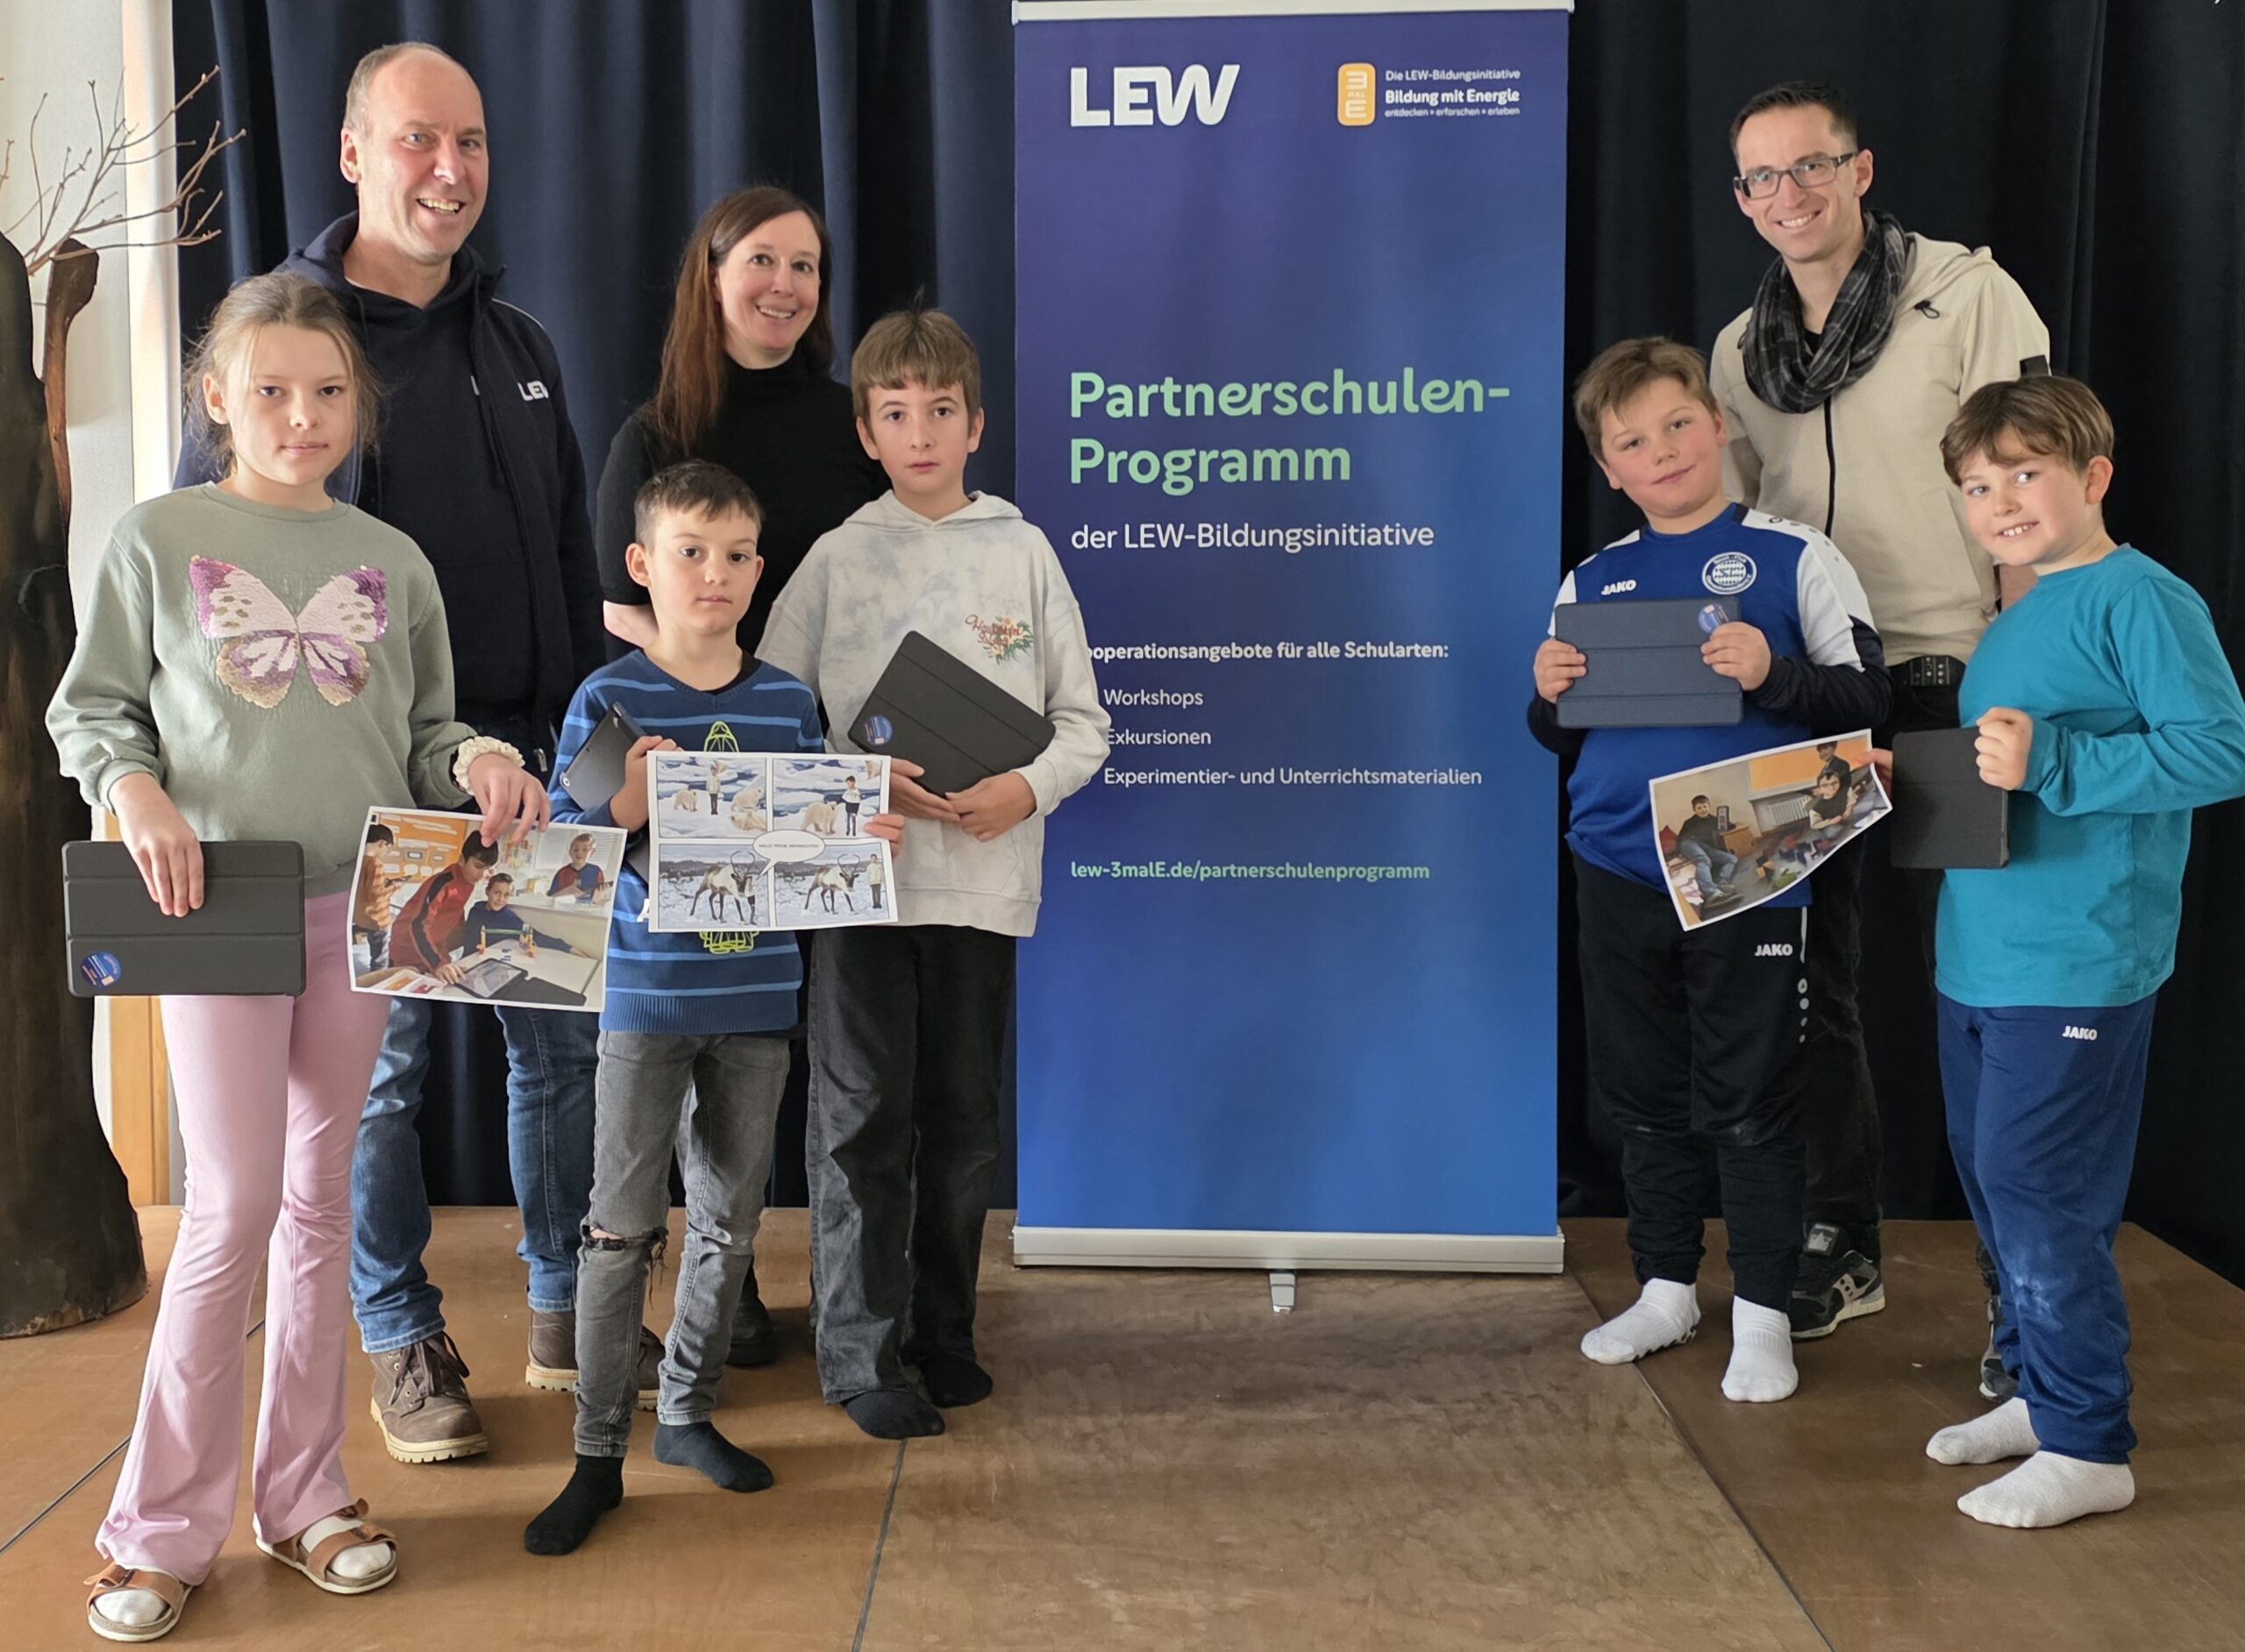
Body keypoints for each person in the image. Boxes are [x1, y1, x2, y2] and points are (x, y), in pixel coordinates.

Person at [50, 272, 549, 1641]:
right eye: (269, 389)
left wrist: (483, 759)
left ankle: (308, 1496)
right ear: (216, 397)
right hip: (214, 907)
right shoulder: (159, 538)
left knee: (321, 1200)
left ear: (358, 405)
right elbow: (95, 709)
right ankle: (157, 1533)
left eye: (328, 391)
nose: (301, 414)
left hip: (365, 908)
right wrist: (134, 792)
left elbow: (426, 735)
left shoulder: (393, 560)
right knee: (232, 1208)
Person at [170, 41, 642, 1460]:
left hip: (521, 772)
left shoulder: (521, 344)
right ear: (353, 153)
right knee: (378, 1088)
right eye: (419, 140)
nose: (450, 170)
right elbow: (207, 570)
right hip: (366, 787)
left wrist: (584, 748)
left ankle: (565, 1307)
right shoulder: (290, 338)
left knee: (558, 1056)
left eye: (472, 143)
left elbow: (569, 559)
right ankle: (400, 1332)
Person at [1710, 80, 2052, 1353]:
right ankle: (1840, 1243)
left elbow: (2026, 489)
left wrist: (2018, 671)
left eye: (1810, 166)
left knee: (1987, 990)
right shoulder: (1738, 352)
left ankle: (2021, 1292)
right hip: (1811, 696)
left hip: (1953, 680)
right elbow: (1736, 532)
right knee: (1816, 987)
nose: (1787, 194)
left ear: (1859, 171)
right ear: (1742, 201)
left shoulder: (1969, 294)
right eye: (1761, 178)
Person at [525, 459, 906, 1554]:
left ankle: (687, 1416)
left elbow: (812, 835)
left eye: (737, 554)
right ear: (642, 566)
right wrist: (628, 799)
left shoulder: (786, 702)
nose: (716, 573)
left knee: (732, 1222)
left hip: (758, 1000)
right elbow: (560, 853)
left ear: (759, 568)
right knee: (618, 1232)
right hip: (645, 1001)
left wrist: (858, 838)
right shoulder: (609, 700)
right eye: (690, 552)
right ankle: (598, 1454)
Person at [760, 308, 1111, 1439]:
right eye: (896, 414)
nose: (920, 434)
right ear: (866, 432)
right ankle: (859, 1353)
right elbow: (770, 717)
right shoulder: (836, 558)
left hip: (983, 884)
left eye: (941, 411)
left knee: (961, 1122)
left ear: (976, 426)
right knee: (861, 1116)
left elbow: (1083, 725)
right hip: (860, 886)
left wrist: (1026, 790)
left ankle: (942, 1333)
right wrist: (855, 782)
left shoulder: (1022, 551)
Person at [1530, 337, 1888, 1406]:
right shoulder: (1593, 578)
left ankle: (1764, 1311)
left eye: (1678, 423)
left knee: (1755, 1094)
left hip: (1750, 864)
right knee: (1642, 1091)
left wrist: (1772, 674)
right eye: (1633, 441)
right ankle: (1665, 1287)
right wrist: (1547, 694)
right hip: (1614, 860)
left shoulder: (1792, 555)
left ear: (1718, 424)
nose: (1663, 451)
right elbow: (1560, 734)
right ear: (1609, 470)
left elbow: (1868, 704)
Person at [1914, 375, 2245, 1527]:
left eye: (2025, 472)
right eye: (1976, 485)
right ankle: (2035, 1392)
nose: (1999, 501)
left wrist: (2051, 759)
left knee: (2039, 1190)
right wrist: (1912, 783)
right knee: (1996, 1185)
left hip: (2078, 962)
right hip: (1980, 957)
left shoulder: (2139, 597)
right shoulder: (2018, 615)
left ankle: (2089, 1444)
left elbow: (2219, 751)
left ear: (2093, 476)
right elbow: (1998, 776)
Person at [594, 185, 886, 1366]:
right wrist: (718, 726)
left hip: (824, 765)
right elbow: (622, 619)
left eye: (806, 266)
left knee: (804, 1048)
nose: (785, 285)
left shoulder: (845, 426)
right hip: (698, 779)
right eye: (762, 259)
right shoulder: (653, 433)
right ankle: (723, 1298)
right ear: (710, 277)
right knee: (695, 1047)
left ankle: (834, 1296)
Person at [387, 834, 498, 979]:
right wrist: (438, 963)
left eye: (488, 869)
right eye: (478, 866)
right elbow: (417, 924)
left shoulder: (469, 883)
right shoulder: (442, 883)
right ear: (462, 860)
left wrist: (447, 958)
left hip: (434, 945)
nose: (482, 874)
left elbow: (456, 912)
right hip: (407, 948)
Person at [462, 874, 582, 954]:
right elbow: (469, 942)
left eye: (506, 895)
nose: (500, 899)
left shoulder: (508, 918)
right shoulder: (475, 911)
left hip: (488, 962)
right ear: (487, 892)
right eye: (497, 893)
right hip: (467, 961)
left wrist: (567, 948)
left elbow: (534, 936)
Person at [353, 822, 400, 972]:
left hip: (362, 917)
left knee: (374, 953)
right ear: (382, 843)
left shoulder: (358, 860)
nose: (387, 852)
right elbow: (377, 896)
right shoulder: (376, 864)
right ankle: (377, 981)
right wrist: (395, 886)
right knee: (380, 960)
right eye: (388, 848)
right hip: (377, 920)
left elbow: (366, 889)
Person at [1673, 796, 1739, 900]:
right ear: (1694, 810)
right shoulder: (1689, 822)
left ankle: (1722, 883)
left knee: (1732, 859)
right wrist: (1680, 853)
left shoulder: (1714, 820)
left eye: (1705, 806)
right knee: (1704, 860)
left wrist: (1724, 820)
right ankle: (1711, 892)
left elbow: (1731, 825)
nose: (1703, 810)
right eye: (1699, 808)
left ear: (1709, 807)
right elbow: (1680, 839)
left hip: (1706, 847)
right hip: (1689, 843)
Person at [546, 833, 607, 902]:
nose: (579, 853)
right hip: (564, 907)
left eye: (585, 850)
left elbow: (600, 897)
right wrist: (567, 892)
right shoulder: (562, 873)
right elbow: (550, 898)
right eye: (575, 850)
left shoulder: (596, 871)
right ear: (570, 851)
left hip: (587, 908)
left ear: (592, 852)